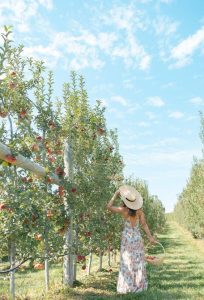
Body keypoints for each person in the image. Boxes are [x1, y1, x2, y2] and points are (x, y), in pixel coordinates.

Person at [107, 185, 156, 294]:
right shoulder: (139, 211)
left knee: (127, 261)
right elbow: (144, 225)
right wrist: (150, 237)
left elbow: (109, 206)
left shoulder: (123, 210)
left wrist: (115, 195)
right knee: (138, 261)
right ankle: (139, 286)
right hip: (137, 238)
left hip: (127, 240)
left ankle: (127, 287)